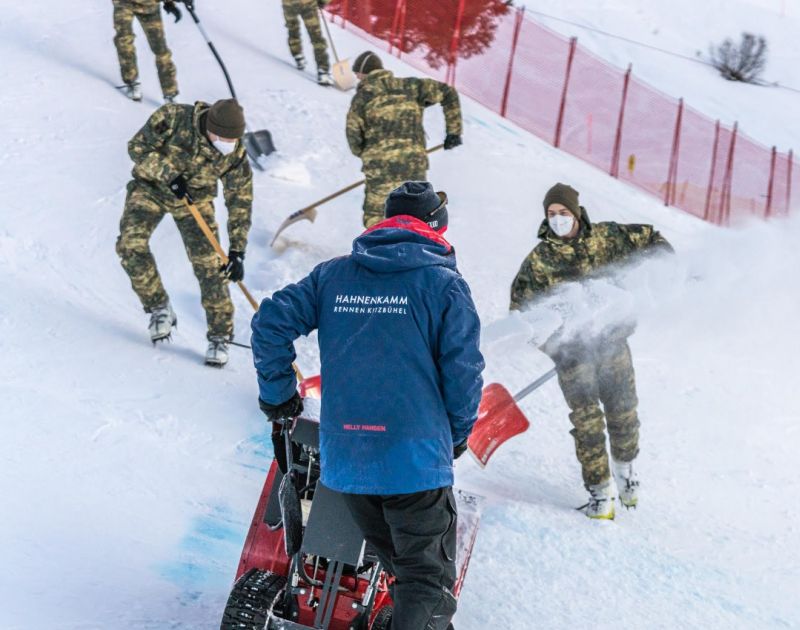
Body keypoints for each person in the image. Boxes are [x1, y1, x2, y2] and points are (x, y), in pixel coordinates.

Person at [252, 181, 484, 630]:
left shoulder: (333, 276)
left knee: (402, 576)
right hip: (414, 462)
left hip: (349, 464)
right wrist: (453, 438)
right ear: (438, 228)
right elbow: (464, 374)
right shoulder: (445, 286)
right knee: (425, 585)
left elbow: (270, 325)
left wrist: (279, 396)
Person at [509, 183, 672, 519]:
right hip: (572, 357)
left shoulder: (608, 237)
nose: (557, 220)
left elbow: (652, 239)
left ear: (576, 212)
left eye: (563, 213)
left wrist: (666, 272)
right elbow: (522, 313)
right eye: (552, 214)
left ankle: (625, 471)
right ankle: (600, 492)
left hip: (613, 344)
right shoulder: (539, 261)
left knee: (623, 413)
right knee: (587, 423)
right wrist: (552, 343)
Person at [115, 98, 253, 367]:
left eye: (232, 139)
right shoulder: (174, 117)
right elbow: (137, 147)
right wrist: (168, 174)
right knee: (130, 244)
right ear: (209, 127)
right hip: (151, 189)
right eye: (222, 137)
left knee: (211, 266)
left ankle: (219, 336)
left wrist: (237, 250)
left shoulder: (234, 151)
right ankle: (158, 307)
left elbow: (240, 198)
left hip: (196, 202)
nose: (227, 143)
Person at [345, 51, 463, 228]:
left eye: (357, 75)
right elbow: (448, 92)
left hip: (379, 167)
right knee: (414, 214)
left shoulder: (362, 97)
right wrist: (453, 132)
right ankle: (413, 251)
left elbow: (353, 135)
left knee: (377, 218)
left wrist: (368, 155)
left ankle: (378, 252)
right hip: (413, 165)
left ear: (364, 72)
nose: (357, 78)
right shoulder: (410, 86)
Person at [112, 0, 181, 103]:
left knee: (160, 50)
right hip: (124, 4)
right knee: (124, 41)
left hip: (150, 8)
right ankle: (131, 81)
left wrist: (169, 3)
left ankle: (170, 93)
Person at [281, 0, 333, 86]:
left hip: (289, 4)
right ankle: (323, 71)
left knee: (293, 29)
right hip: (308, 5)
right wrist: (323, 2)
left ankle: (297, 56)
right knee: (316, 37)